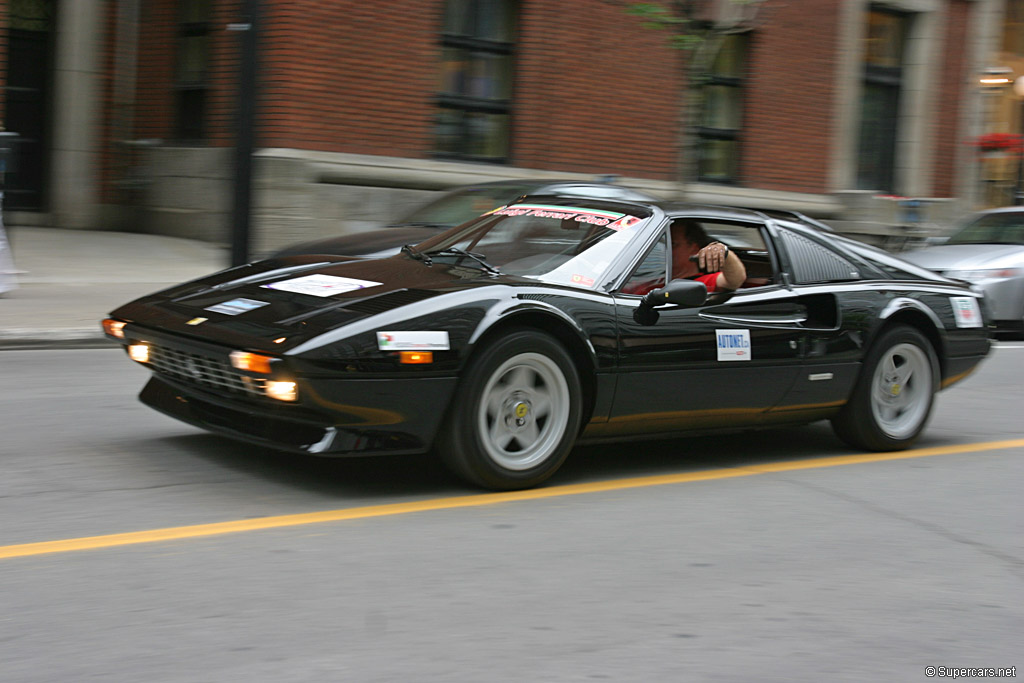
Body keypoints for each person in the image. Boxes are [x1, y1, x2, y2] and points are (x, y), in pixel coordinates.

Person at [669, 219, 746, 292]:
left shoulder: (700, 284)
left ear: (694, 248)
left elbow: (735, 280)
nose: (664, 249)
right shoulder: (660, 278)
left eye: (672, 244)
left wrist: (722, 252)